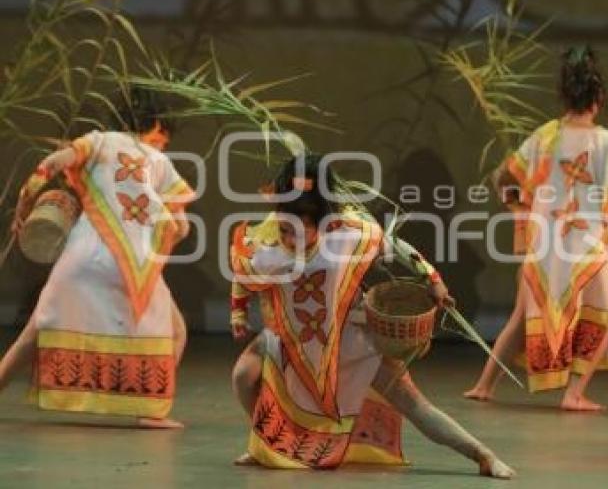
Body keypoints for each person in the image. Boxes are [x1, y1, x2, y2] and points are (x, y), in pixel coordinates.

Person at [229, 153, 515, 478]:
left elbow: (399, 247)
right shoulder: (268, 239)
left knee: (414, 405)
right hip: (292, 342)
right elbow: (243, 272)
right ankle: (268, 446)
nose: (288, 238)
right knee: (243, 376)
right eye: (284, 228)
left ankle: (483, 455)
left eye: (298, 230)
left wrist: (433, 280)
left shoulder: (349, 235)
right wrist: (237, 315)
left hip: (352, 340)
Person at [0, 88, 194, 428]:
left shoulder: (98, 142)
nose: (164, 143)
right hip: (132, 266)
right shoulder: (160, 162)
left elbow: (50, 165)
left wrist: (24, 206)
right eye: (164, 135)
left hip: (82, 259)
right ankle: (150, 412)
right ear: (156, 126)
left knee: (34, 332)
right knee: (175, 332)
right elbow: (180, 227)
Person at [464, 47, 608, 410]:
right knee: (602, 314)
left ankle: (484, 385)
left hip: (545, 243)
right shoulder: (606, 141)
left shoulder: (546, 135)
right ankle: (573, 393)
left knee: (522, 315)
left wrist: (522, 209)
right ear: (599, 98)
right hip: (586, 241)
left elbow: (503, 177)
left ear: (565, 95)